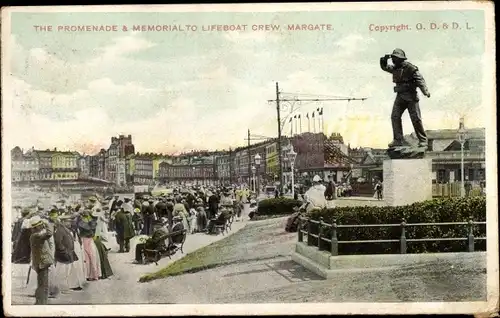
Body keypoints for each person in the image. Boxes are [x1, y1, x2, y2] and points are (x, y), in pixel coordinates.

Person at [380, 48, 431, 148]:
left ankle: (423, 140)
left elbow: (420, 80)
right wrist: (384, 59)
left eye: (395, 58)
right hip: (400, 96)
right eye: (393, 58)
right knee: (395, 116)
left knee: (416, 119)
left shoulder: (411, 68)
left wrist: (425, 91)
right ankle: (398, 140)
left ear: (400, 58)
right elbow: (384, 67)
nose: (393, 61)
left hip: (411, 97)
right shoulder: (395, 68)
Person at [29, 216, 54, 305]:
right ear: (36, 227)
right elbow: (49, 233)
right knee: (43, 285)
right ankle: (42, 303)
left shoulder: (34, 236)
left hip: (40, 262)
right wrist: (47, 223)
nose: (42, 226)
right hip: (42, 263)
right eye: (40, 225)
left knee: (41, 284)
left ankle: (40, 302)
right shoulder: (36, 236)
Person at [76, 210, 101, 281]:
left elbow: (91, 227)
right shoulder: (83, 222)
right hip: (85, 240)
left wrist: (88, 219)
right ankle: (89, 275)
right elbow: (88, 228)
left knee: (92, 258)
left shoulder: (90, 222)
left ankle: (93, 275)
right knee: (88, 259)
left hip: (88, 240)